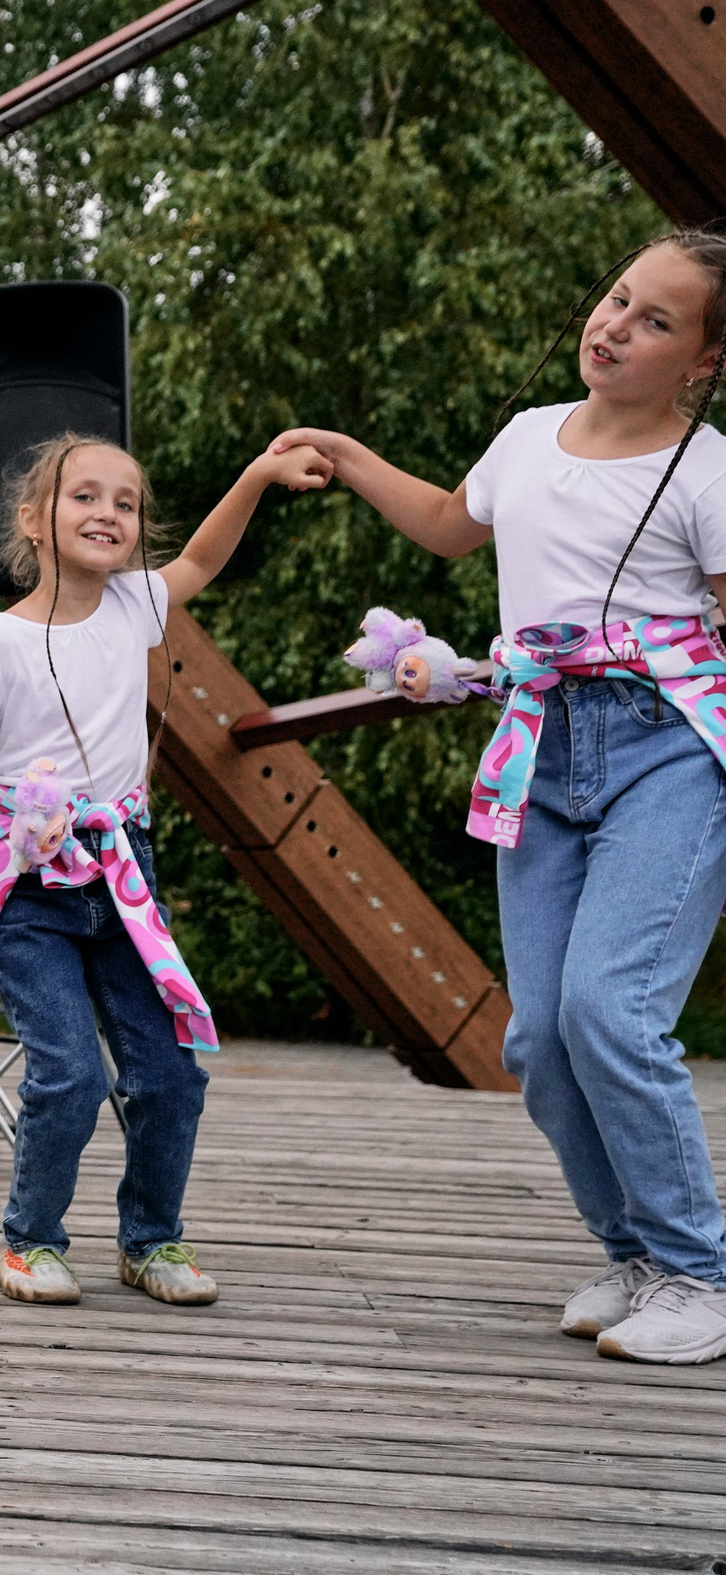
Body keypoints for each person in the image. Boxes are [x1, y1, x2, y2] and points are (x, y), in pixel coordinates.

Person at [270, 230, 726, 1366]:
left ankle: (699, 1271)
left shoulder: (709, 472)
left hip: (666, 752)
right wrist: (346, 451)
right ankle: (631, 1251)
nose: (615, 324)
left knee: (609, 1013)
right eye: (616, 297)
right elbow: (443, 527)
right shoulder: (527, 438)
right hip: (540, 750)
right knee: (538, 1037)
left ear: (701, 365)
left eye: (655, 320)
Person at [0, 433, 330, 1314]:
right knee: (71, 1071)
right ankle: (31, 1240)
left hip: (121, 879)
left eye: (126, 502)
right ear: (34, 521)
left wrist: (259, 475)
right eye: (86, 496)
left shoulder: (136, 608)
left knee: (170, 1069)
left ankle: (151, 1237)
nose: (108, 513)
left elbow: (203, 557)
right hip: (25, 888)